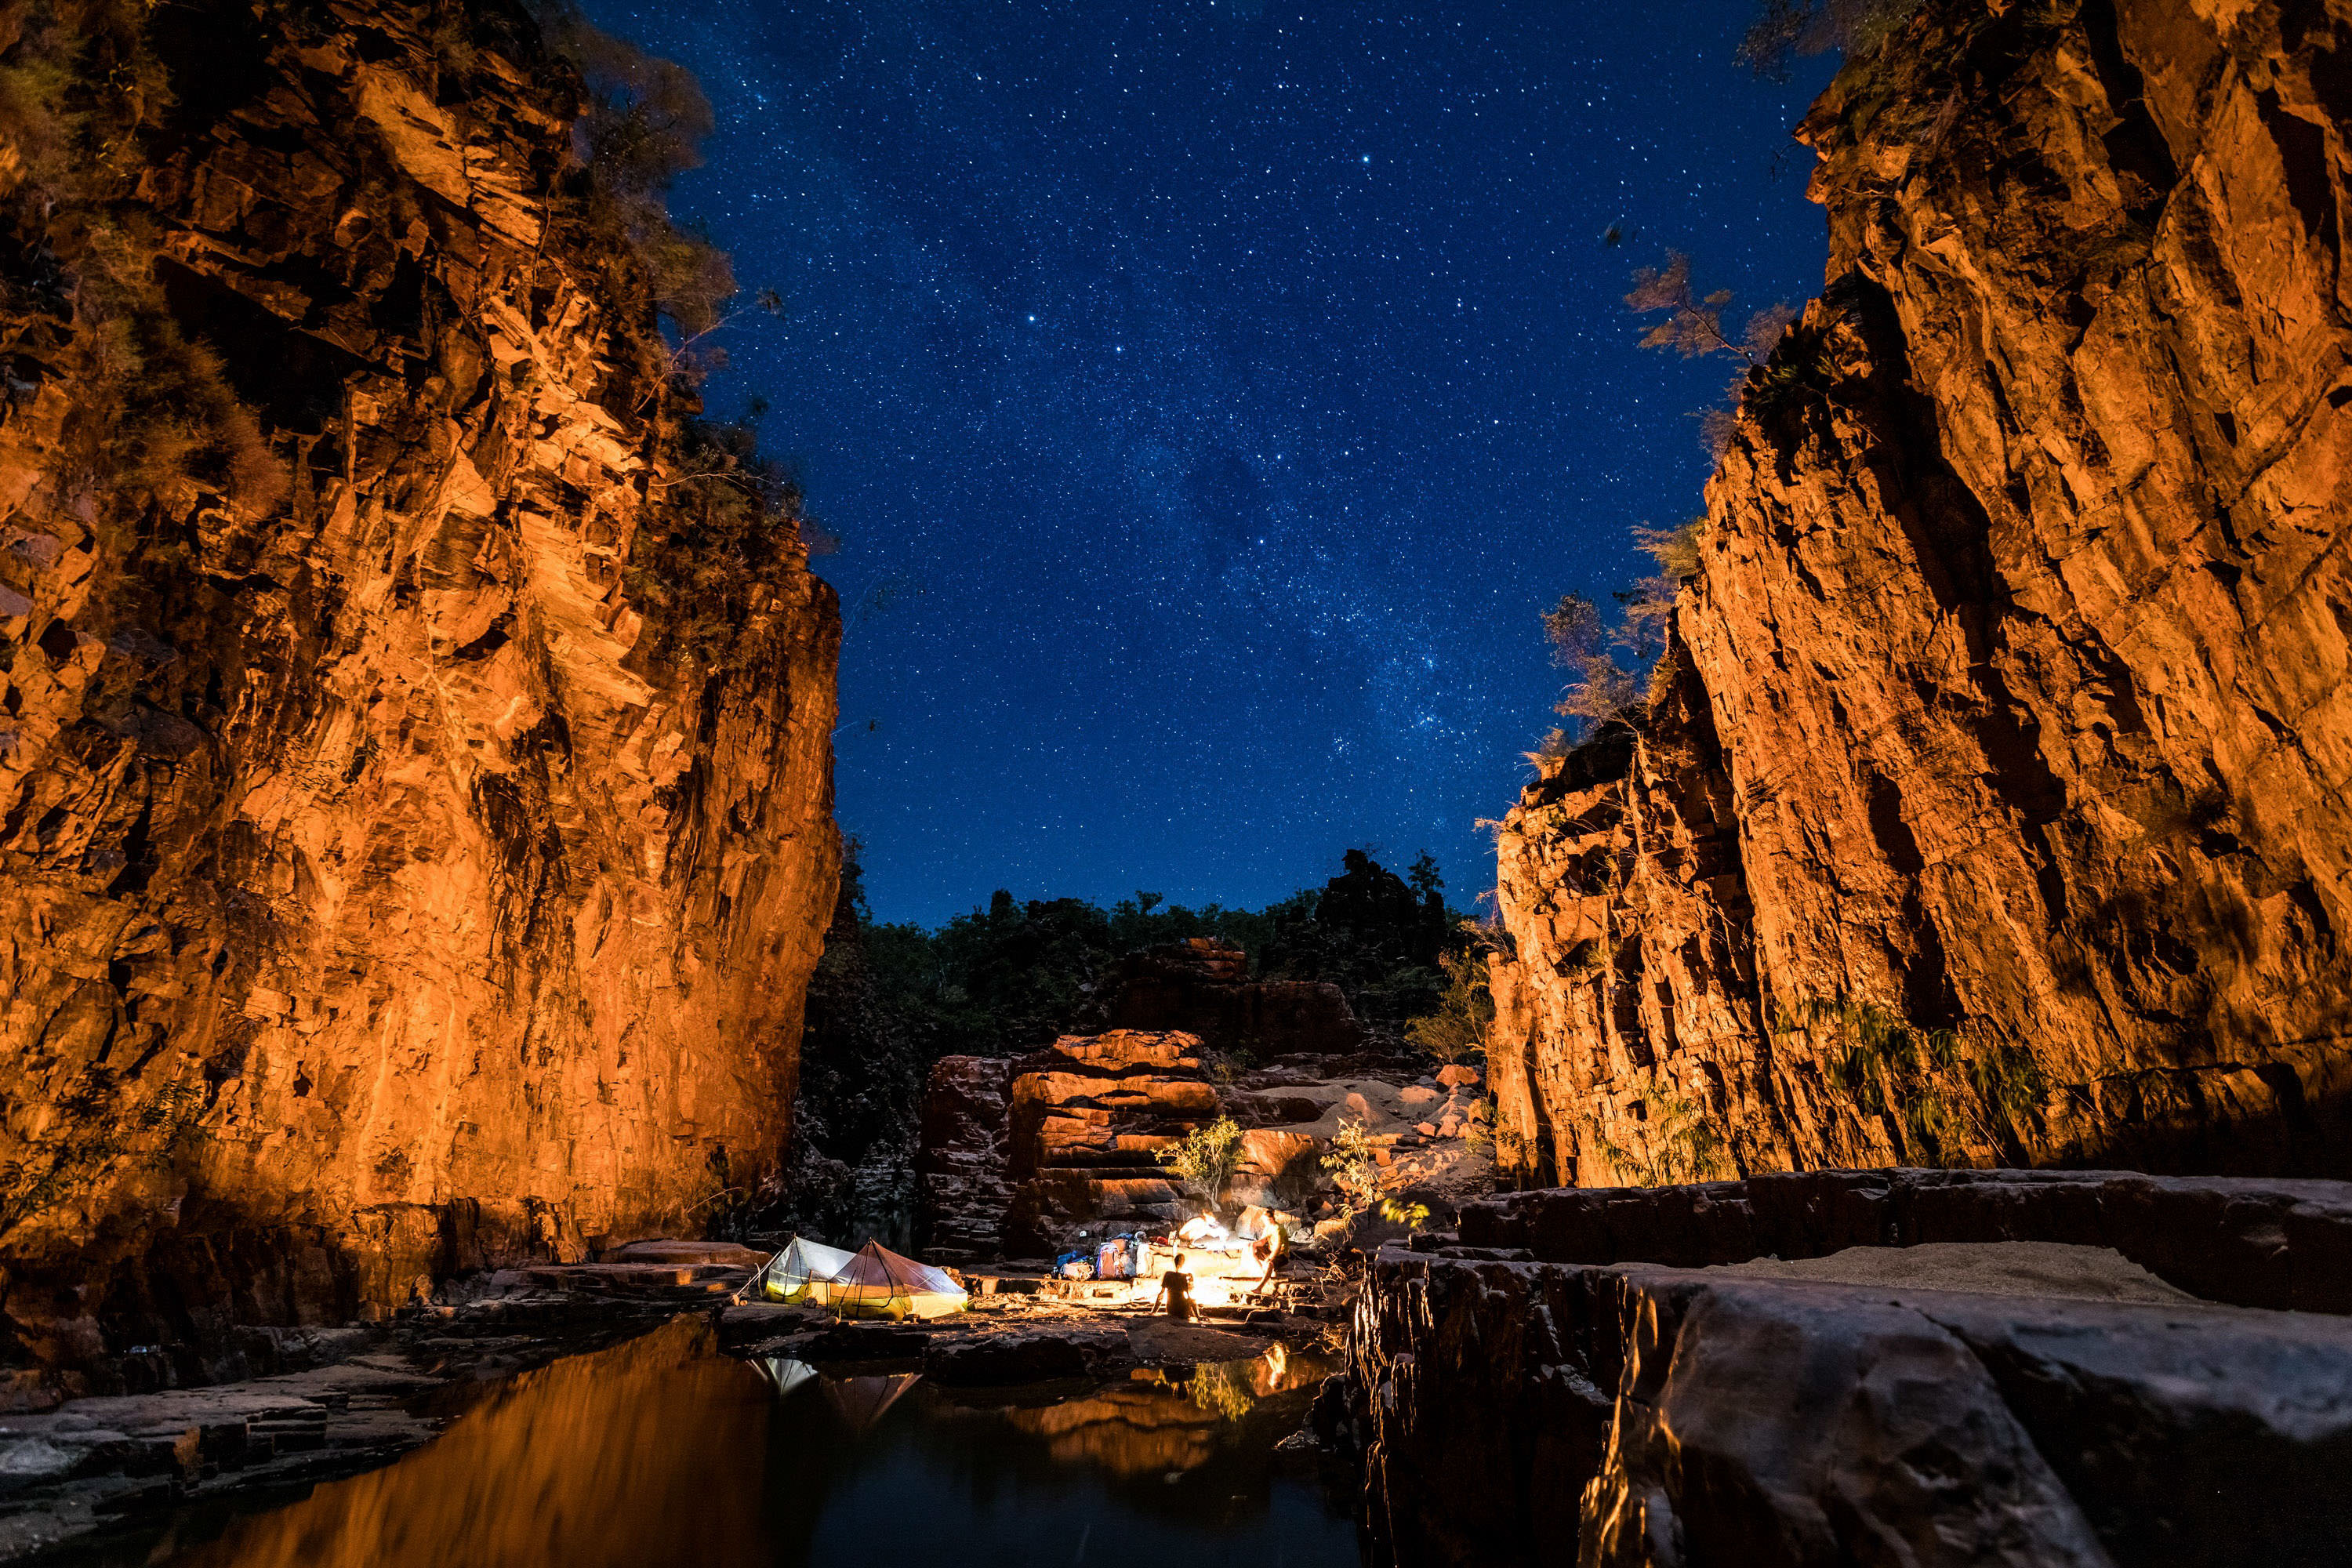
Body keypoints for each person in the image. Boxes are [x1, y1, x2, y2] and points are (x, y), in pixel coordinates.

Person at [1154, 1253, 1196, 1321]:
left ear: (1175, 1262)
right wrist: (1198, 1316)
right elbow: (1191, 1297)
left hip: (1171, 1310)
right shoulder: (1186, 1277)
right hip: (1182, 1311)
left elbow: (1161, 1294)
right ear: (1183, 1263)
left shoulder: (1168, 1274)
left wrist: (1153, 1312)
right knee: (1191, 1300)